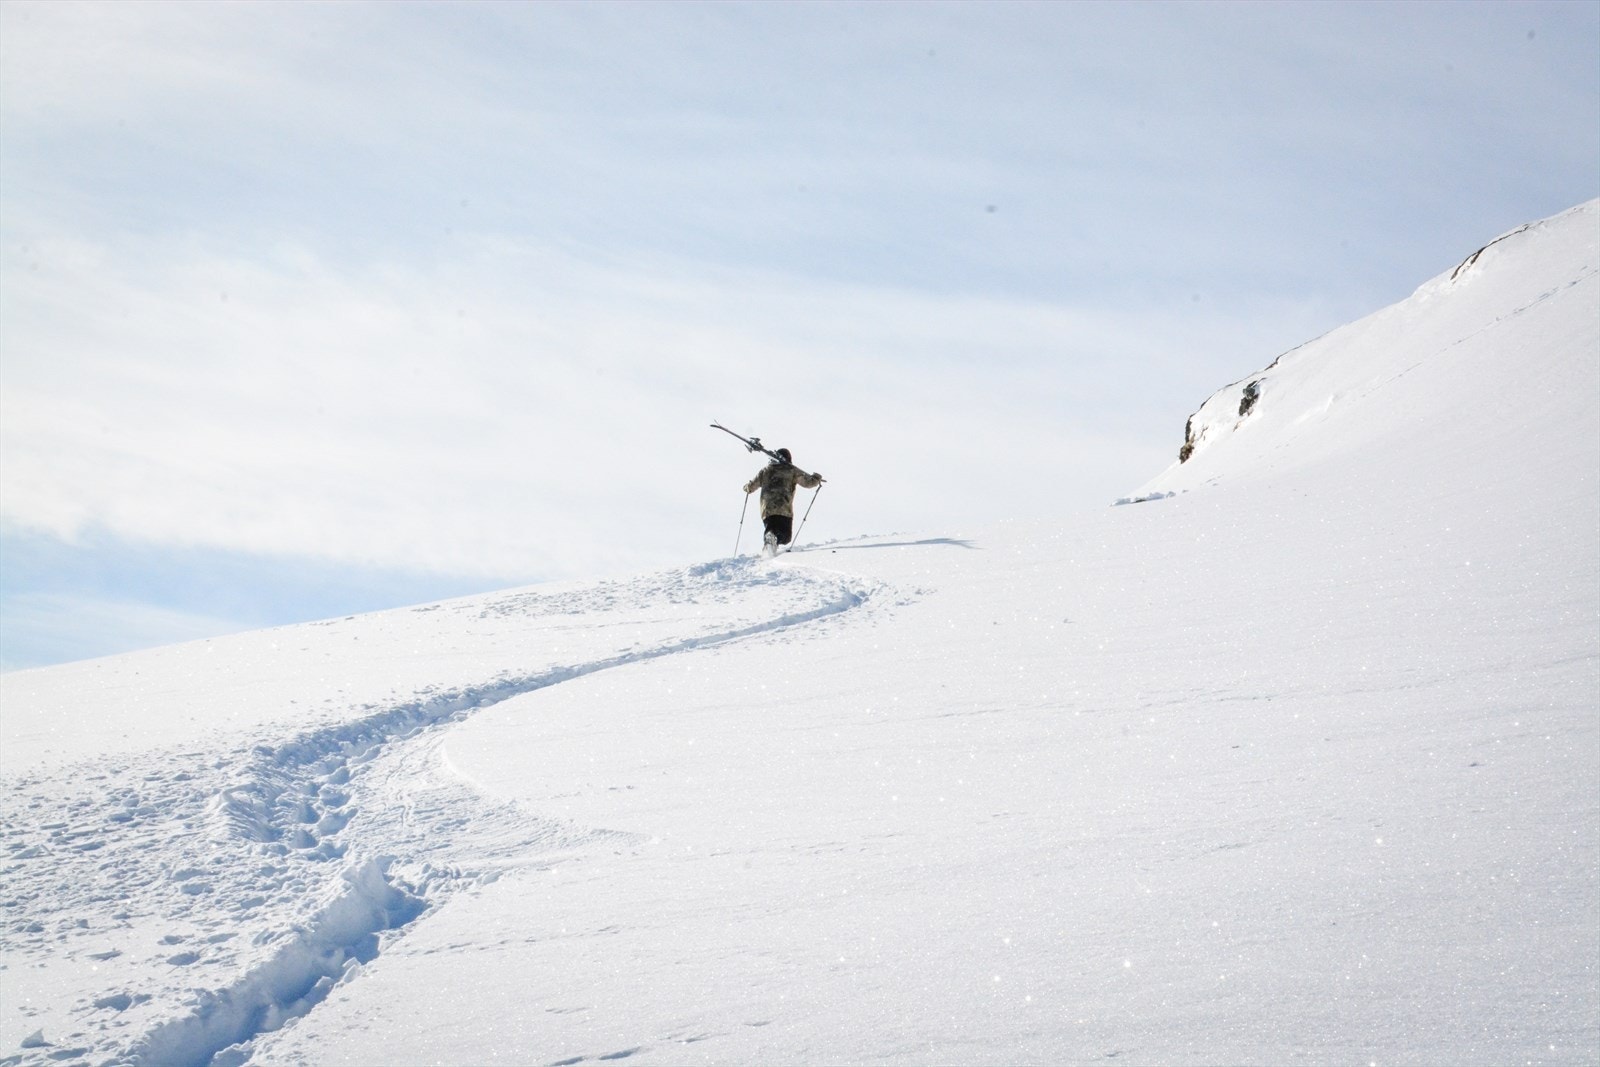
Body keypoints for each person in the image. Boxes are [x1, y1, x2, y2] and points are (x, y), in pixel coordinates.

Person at [743, 448, 823, 553]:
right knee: (786, 537)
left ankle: (770, 542)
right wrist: (817, 478)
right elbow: (808, 483)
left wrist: (747, 487)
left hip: (767, 508)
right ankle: (772, 540)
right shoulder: (792, 470)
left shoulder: (765, 470)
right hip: (784, 507)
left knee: (771, 528)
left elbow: (751, 486)